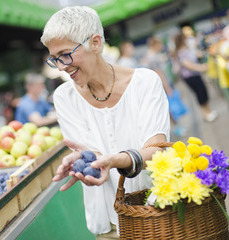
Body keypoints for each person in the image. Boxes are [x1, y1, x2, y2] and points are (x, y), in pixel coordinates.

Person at [40, 6, 170, 239]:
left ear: (96, 43)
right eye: (54, 59)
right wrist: (82, 159)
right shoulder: (64, 97)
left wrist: (113, 161)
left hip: (158, 214)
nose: (60, 66)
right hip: (109, 226)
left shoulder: (145, 83)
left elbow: (156, 150)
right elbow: (91, 153)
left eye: (65, 55)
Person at [174, 31, 218, 122]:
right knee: (200, 94)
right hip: (190, 77)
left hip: (195, 75)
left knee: (203, 92)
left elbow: (196, 55)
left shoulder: (186, 49)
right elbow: (188, 65)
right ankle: (206, 114)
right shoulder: (180, 53)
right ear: (182, 39)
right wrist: (201, 68)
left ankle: (208, 112)